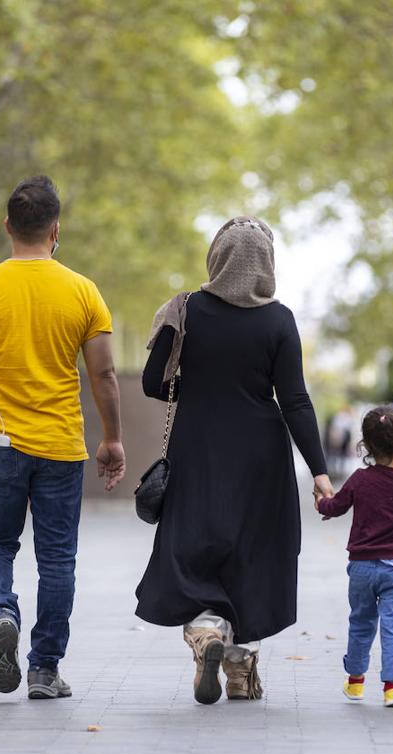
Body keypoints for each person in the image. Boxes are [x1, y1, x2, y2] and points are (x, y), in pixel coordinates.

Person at [0, 175, 126, 700]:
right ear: (55, 229)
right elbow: (104, 376)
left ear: (7, 227)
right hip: (61, 444)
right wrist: (112, 439)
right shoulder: (83, 291)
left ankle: (1, 613)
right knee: (57, 559)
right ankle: (44, 669)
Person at [135, 216, 333, 705]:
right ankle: (242, 667)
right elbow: (296, 401)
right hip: (261, 455)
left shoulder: (186, 309)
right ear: (266, 263)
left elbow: (152, 383)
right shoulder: (279, 319)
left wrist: (196, 380)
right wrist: (322, 472)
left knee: (196, 542)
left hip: (197, 447)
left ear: (216, 258)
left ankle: (205, 631)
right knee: (256, 554)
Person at [316, 406, 393, 708]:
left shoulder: (360, 480)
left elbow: (335, 507)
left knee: (361, 623)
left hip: (363, 568)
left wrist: (320, 503)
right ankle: (392, 688)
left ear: (366, 445)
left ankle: (355, 683)